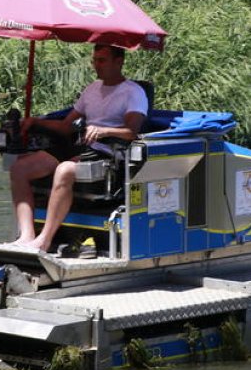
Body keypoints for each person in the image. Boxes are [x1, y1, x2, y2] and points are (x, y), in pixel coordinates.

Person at [8, 44, 148, 251]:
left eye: (102, 60)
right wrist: (36, 122)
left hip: (108, 153)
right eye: (94, 60)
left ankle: (44, 240)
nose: (96, 66)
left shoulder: (133, 93)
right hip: (80, 147)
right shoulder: (92, 89)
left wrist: (104, 131)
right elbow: (66, 127)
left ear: (119, 62)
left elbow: (132, 132)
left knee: (64, 170)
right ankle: (27, 236)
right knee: (18, 168)